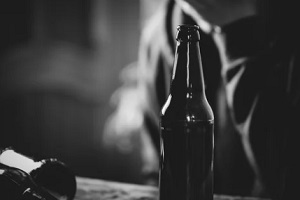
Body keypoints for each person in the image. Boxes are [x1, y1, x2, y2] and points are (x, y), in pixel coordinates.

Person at [104, 0, 300, 199]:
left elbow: (288, 179)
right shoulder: (158, 35)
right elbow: (158, 173)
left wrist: (238, 31)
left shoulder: (288, 25)